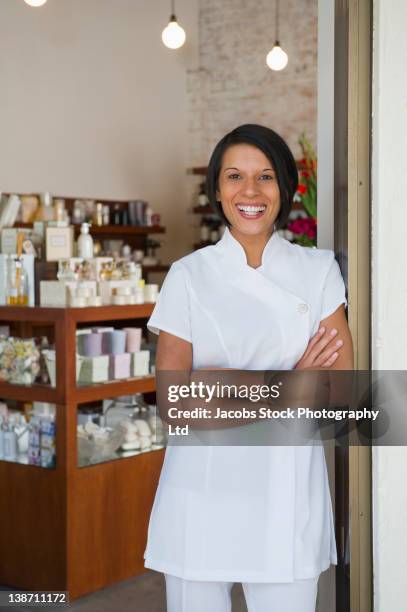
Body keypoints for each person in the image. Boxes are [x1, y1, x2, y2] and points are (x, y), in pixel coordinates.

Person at [144, 124, 354, 612]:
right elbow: (174, 404)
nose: (250, 192)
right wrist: (289, 384)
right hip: (200, 494)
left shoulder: (319, 271)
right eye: (235, 176)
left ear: (284, 188)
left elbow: (341, 400)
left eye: (265, 177)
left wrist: (218, 387)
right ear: (217, 188)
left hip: (286, 500)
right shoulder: (189, 276)